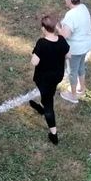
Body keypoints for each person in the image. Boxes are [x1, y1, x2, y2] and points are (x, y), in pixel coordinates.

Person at [30, 15, 69, 144]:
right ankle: (41, 107)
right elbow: (68, 55)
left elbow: (34, 62)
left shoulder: (42, 43)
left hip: (44, 78)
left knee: (49, 105)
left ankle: (53, 134)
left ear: (43, 28)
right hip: (57, 76)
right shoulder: (62, 40)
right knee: (48, 94)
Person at [57, 0, 91, 103]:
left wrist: (57, 27)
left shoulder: (70, 15)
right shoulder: (83, 7)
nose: (65, 0)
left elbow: (65, 35)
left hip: (75, 49)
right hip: (86, 45)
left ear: (69, 0)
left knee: (72, 71)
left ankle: (73, 96)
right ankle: (81, 89)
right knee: (81, 66)